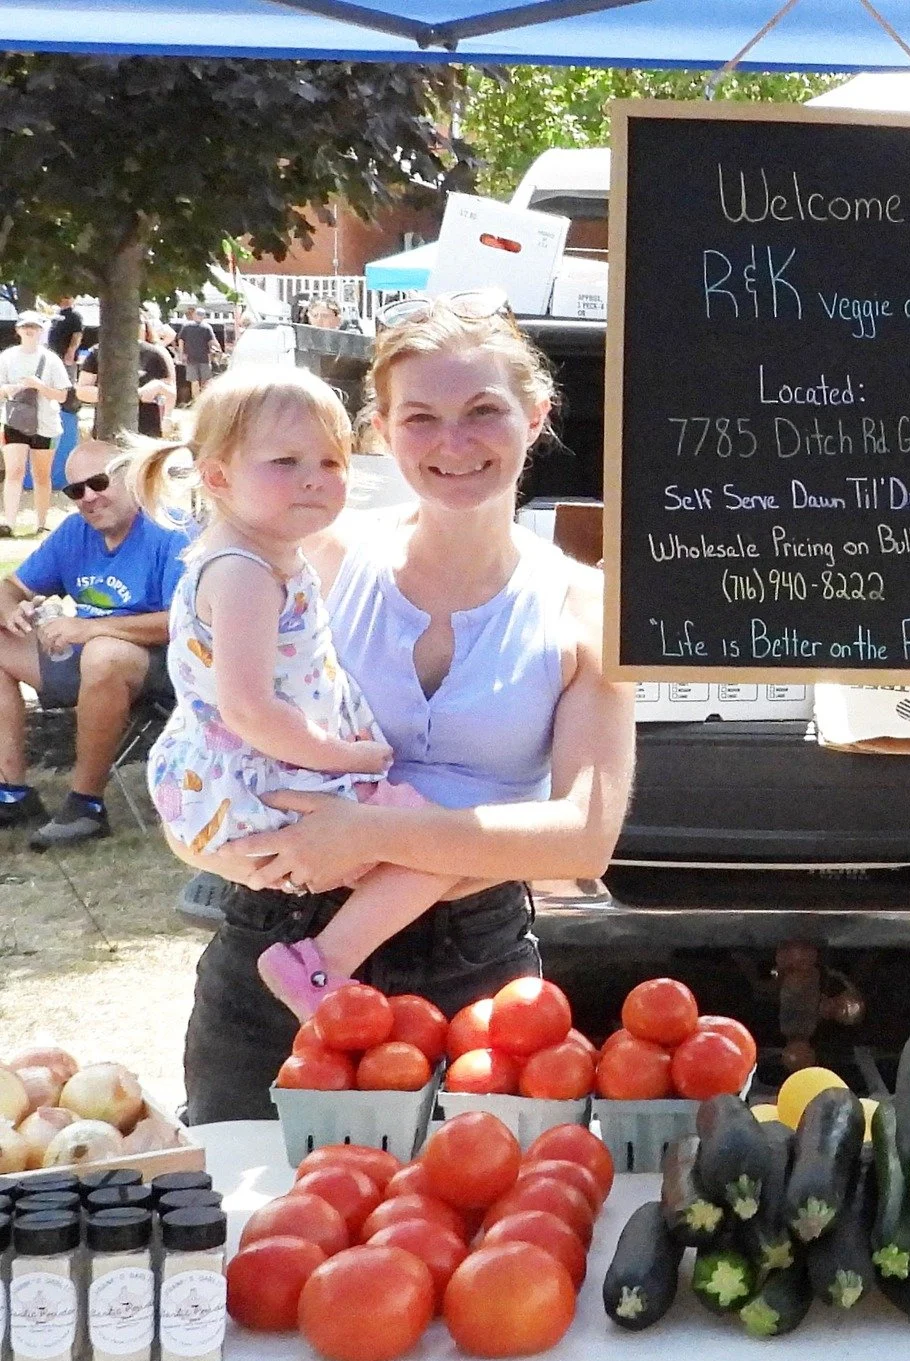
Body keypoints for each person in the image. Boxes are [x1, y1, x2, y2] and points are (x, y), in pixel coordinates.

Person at [167, 297, 634, 1124]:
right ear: (380, 429)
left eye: (483, 411)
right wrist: (204, 839)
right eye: (421, 416)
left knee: (468, 1227)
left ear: (535, 416)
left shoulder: (587, 606)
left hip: (472, 962)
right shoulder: (309, 555)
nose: (453, 442)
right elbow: (211, 719)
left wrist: (369, 834)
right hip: (274, 933)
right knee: (247, 1215)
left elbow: (584, 837)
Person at [135, 367, 477, 1025]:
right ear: (217, 478)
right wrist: (347, 759)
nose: (314, 477)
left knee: (426, 844)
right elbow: (250, 708)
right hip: (263, 781)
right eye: (285, 462)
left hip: (250, 772)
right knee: (438, 843)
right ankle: (318, 963)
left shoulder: (264, 552)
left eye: (331, 459)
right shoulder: (242, 574)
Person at [0, 438, 189, 848]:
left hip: (163, 668)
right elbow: (10, 586)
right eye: (75, 491)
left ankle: (86, 805)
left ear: (132, 478)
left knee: (104, 654)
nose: (88, 497)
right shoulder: (74, 533)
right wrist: (10, 610)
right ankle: (12, 793)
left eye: (99, 482)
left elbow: (184, 623)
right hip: (83, 659)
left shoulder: (172, 531)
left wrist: (89, 630)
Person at [1, 313, 71, 538]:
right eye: (25, 327)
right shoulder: (7, 357)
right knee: (14, 471)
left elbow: (62, 395)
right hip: (14, 421)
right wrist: (10, 389)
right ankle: (9, 523)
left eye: (34, 327)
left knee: (41, 475)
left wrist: (40, 386)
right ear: (18, 330)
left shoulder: (51, 360)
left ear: (41, 331)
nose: (29, 330)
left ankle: (41, 523)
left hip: (45, 424)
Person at [77, 331, 177, 439]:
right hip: (109, 428)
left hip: (146, 431)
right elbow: (82, 391)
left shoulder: (153, 353)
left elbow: (171, 392)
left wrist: (158, 387)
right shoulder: (98, 352)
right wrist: (119, 395)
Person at [177, 306, 219, 402]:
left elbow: (181, 341)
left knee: (194, 382)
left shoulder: (186, 326)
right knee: (206, 381)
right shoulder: (207, 327)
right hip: (204, 358)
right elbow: (213, 342)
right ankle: (204, 402)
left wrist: (181, 355)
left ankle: (197, 401)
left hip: (191, 358)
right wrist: (219, 350)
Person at [46, 297, 84, 370]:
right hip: (53, 356)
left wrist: (71, 353)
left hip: (65, 358)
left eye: (67, 298)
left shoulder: (75, 316)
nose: (64, 300)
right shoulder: (56, 314)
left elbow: (77, 335)